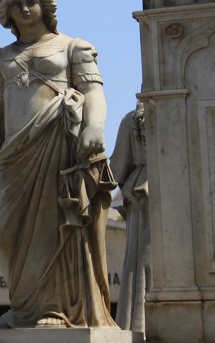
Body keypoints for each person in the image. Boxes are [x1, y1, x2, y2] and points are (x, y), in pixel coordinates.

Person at [0, 0, 118, 328]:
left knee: (52, 224)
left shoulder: (73, 47)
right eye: (16, 3)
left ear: (45, 5)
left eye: (31, 1)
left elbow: (93, 93)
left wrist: (94, 126)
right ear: (6, 13)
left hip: (59, 140)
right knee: (3, 229)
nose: (25, 8)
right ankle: (22, 306)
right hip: (15, 155)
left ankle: (54, 308)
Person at [111, 102, 151, 333]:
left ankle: (138, 325)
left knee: (140, 264)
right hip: (156, 192)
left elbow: (116, 169)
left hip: (144, 195)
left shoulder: (131, 119)